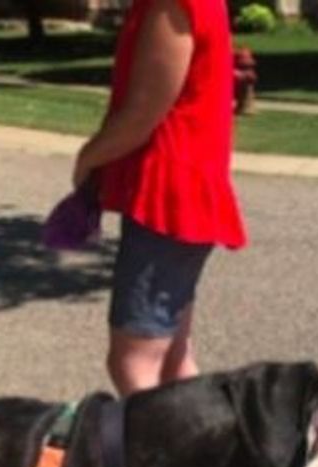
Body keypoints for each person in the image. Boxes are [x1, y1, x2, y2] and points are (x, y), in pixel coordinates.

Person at [73, 0, 246, 396]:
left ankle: (161, 459)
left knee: (134, 361)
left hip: (169, 199)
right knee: (172, 359)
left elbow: (142, 114)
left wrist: (88, 158)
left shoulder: (170, 5)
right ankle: (205, 452)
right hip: (183, 195)